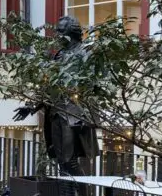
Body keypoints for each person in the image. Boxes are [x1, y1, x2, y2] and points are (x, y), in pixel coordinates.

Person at [13, 16, 98, 175]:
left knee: (70, 161)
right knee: (61, 161)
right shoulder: (58, 55)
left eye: (60, 31)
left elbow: (92, 84)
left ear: (71, 32)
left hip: (73, 114)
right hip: (56, 113)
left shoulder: (84, 52)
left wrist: (86, 114)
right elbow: (49, 86)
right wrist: (32, 106)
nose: (57, 35)